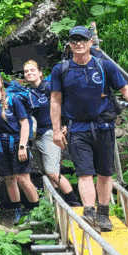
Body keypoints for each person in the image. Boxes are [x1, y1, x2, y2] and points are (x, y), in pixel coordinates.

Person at [51, 26, 128, 232]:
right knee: (84, 172)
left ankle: (103, 214)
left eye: (82, 40)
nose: (78, 43)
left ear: (90, 42)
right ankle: (89, 212)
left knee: (104, 172)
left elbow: (124, 88)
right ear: (69, 44)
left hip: (103, 125)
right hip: (77, 127)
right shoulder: (61, 70)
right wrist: (57, 130)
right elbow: (55, 101)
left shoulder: (104, 66)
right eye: (74, 40)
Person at [0, 69, 39, 225]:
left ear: (1, 82)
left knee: (23, 178)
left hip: (16, 143)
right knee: (8, 178)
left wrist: (22, 146)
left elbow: (25, 123)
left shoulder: (12, 100)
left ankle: (37, 210)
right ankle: (16, 210)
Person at [23, 60, 80, 206]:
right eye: (26, 71)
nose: (29, 73)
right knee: (46, 173)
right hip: (35, 136)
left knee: (53, 171)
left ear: (40, 73)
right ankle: (57, 203)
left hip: (50, 133)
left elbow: (64, 103)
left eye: (32, 70)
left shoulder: (49, 87)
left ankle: (74, 203)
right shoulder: (26, 92)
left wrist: (64, 124)